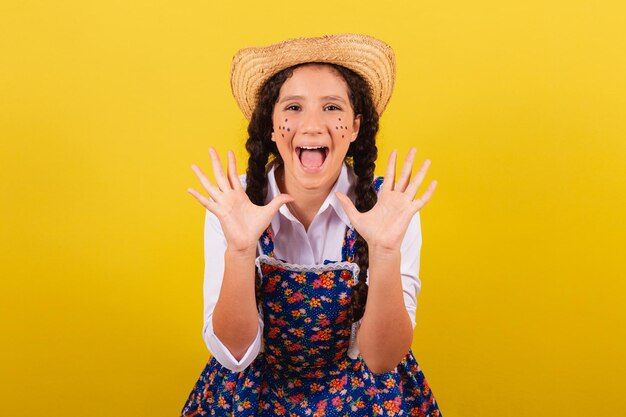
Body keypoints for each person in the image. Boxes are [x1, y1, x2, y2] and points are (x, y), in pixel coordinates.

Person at [182, 33, 442, 416]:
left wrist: (385, 252)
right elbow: (235, 355)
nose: (313, 125)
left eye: (332, 107)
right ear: (271, 127)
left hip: (364, 400)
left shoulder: (390, 209)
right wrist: (240, 251)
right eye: (294, 108)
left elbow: (382, 360)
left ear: (354, 128)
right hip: (255, 399)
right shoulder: (233, 204)